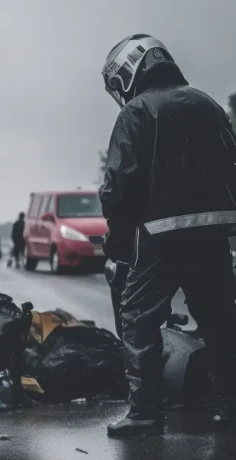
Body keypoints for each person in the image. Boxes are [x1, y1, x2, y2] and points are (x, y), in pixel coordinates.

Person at [98, 34, 236, 437]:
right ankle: (230, 406)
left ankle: (144, 413)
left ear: (127, 73)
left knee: (139, 319)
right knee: (220, 320)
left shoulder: (137, 112)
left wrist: (119, 237)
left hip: (161, 237)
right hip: (212, 234)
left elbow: (120, 185)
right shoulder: (207, 103)